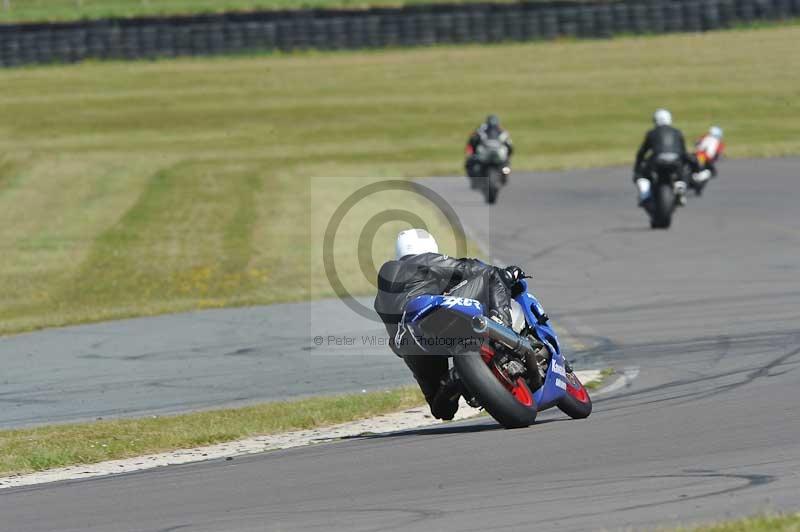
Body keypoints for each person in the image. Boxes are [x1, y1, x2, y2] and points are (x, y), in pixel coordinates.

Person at [373, 229, 525, 421]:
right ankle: (503, 329)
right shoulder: (427, 260)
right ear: (429, 247)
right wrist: (508, 274)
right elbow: (473, 268)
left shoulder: (383, 289)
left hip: (408, 345)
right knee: (493, 276)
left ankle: (453, 380)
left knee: (443, 410)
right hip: (427, 316)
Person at [633, 109, 691, 207]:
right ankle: (680, 185)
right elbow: (683, 152)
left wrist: (637, 168)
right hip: (675, 161)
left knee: (641, 174)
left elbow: (642, 152)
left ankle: (644, 194)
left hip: (657, 161)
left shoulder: (652, 133)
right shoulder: (677, 132)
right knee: (683, 171)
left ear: (655, 120)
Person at [465, 114, 513, 186]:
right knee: (471, 162)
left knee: (506, 164)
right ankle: (474, 179)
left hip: (496, 155)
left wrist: (507, 156)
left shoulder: (501, 133)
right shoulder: (482, 131)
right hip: (485, 155)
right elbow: (473, 141)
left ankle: (504, 176)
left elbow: (509, 146)